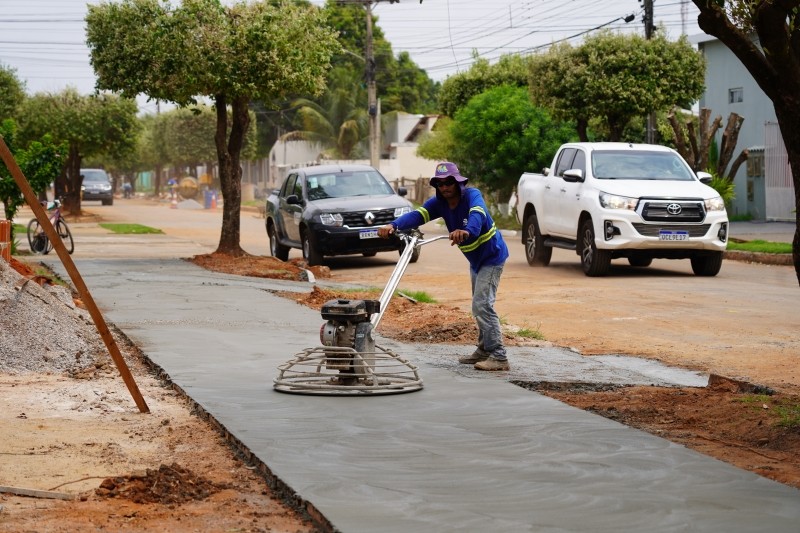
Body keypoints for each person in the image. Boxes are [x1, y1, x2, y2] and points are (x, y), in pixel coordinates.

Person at [377, 162, 510, 371]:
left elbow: (478, 214)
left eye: (449, 182)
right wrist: (393, 225)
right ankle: (484, 350)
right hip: (475, 260)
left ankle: (499, 356)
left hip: (492, 256)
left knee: (482, 305)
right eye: (440, 184)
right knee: (479, 305)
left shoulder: (472, 196)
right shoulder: (439, 203)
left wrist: (466, 230)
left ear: (458, 182)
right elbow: (418, 215)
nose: (445, 187)